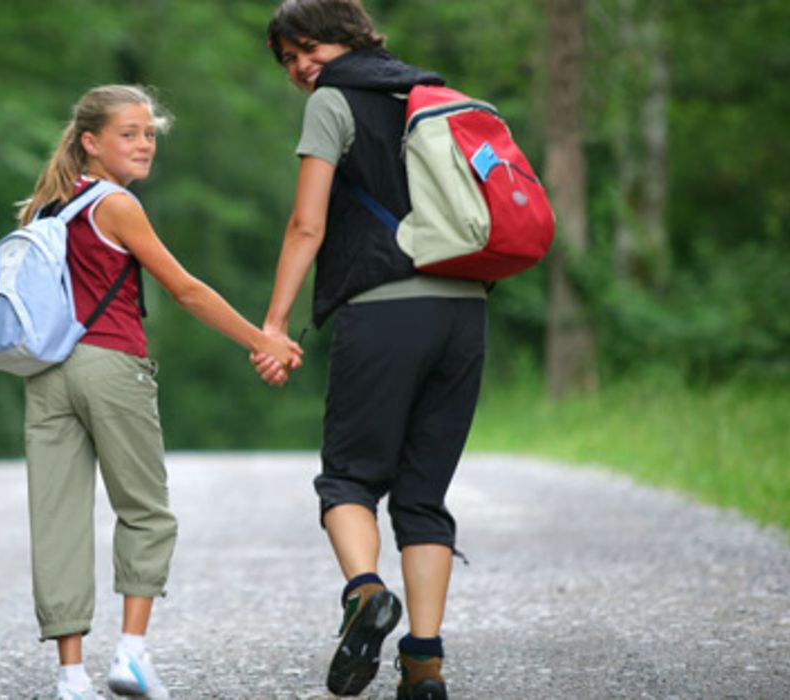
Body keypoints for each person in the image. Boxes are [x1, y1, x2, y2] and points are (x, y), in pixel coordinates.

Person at [0, 85, 302, 700]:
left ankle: (70, 677)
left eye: (149, 134)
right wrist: (259, 340)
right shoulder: (117, 206)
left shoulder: (48, 205)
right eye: (128, 134)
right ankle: (131, 654)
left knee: (57, 520)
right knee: (144, 509)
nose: (143, 145)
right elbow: (185, 289)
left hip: (46, 376)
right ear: (91, 143)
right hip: (111, 365)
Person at [251, 1, 488, 698]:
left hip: (382, 309)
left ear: (345, 36)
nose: (299, 67)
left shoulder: (334, 100)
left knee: (348, 480)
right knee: (422, 495)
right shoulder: (432, 94)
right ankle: (423, 664)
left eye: (305, 48)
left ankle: (364, 593)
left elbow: (305, 224)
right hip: (465, 311)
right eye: (286, 59)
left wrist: (275, 323)